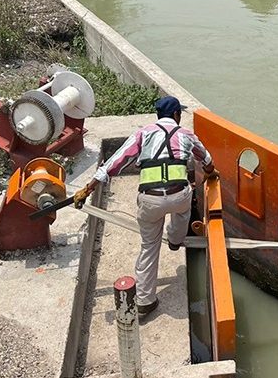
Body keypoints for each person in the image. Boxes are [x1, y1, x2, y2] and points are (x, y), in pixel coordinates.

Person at [72, 95, 215, 316]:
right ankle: (176, 240)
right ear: (177, 115)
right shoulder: (187, 135)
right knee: (183, 210)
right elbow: (207, 159)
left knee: (149, 247)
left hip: (150, 200)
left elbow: (114, 162)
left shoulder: (143, 133)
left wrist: (88, 189)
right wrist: (210, 173)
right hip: (178, 196)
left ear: (158, 115)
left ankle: (146, 301)